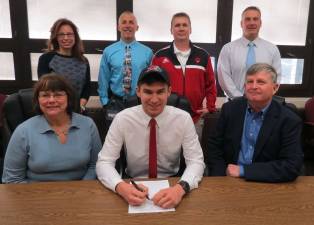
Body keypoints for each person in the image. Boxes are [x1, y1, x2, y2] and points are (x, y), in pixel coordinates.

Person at [96, 65, 205, 208]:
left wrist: (180, 189)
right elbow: (104, 162)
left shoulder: (183, 119)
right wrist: (121, 187)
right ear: (138, 92)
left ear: (169, 92)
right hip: (133, 183)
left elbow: (196, 161)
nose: (154, 100)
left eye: (160, 92)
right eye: (148, 92)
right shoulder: (122, 119)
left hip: (173, 182)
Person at [207, 63, 303, 182]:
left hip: (266, 182)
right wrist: (219, 177)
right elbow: (214, 146)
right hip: (228, 179)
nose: (254, 86)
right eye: (250, 82)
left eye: (261, 82)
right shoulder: (230, 110)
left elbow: (291, 166)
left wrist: (244, 171)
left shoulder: (289, 120)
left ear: (275, 88)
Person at [2, 74, 102, 183]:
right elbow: (12, 178)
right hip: (37, 195)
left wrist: (81, 190)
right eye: (45, 95)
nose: (51, 100)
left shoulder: (87, 125)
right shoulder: (23, 131)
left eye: (58, 95)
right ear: (38, 100)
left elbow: (96, 165)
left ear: (68, 98)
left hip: (81, 193)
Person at [152, 12, 216, 137]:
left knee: (193, 156)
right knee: (167, 156)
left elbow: (211, 84)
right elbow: (153, 86)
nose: (181, 28)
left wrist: (210, 107)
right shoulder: (160, 56)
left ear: (190, 29)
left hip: (195, 118)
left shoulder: (203, 56)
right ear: (171, 30)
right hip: (166, 118)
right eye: (177, 25)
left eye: (184, 25)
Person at [217, 6, 281, 100]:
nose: (252, 22)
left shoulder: (272, 49)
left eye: (255, 19)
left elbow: (276, 78)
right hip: (235, 104)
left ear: (260, 23)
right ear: (241, 23)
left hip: (262, 104)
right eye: (247, 19)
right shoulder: (228, 49)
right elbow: (224, 78)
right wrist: (239, 99)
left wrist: (261, 98)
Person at [98, 11, 153, 116]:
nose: (127, 25)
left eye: (131, 22)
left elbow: (150, 80)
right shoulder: (108, 51)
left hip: (139, 103)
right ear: (118, 27)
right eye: (124, 22)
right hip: (115, 103)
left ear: (137, 27)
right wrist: (105, 102)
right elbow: (103, 79)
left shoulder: (147, 52)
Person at [38, 18, 91, 111]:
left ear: (75, 36)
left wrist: (80, 106)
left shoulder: (83, 60)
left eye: (69, 34)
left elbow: (87, 88)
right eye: (61, 34)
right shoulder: (46, 58)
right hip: (53, 110)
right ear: (56, 37)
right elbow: (44, 89)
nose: (66, 38)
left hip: (77, 111)